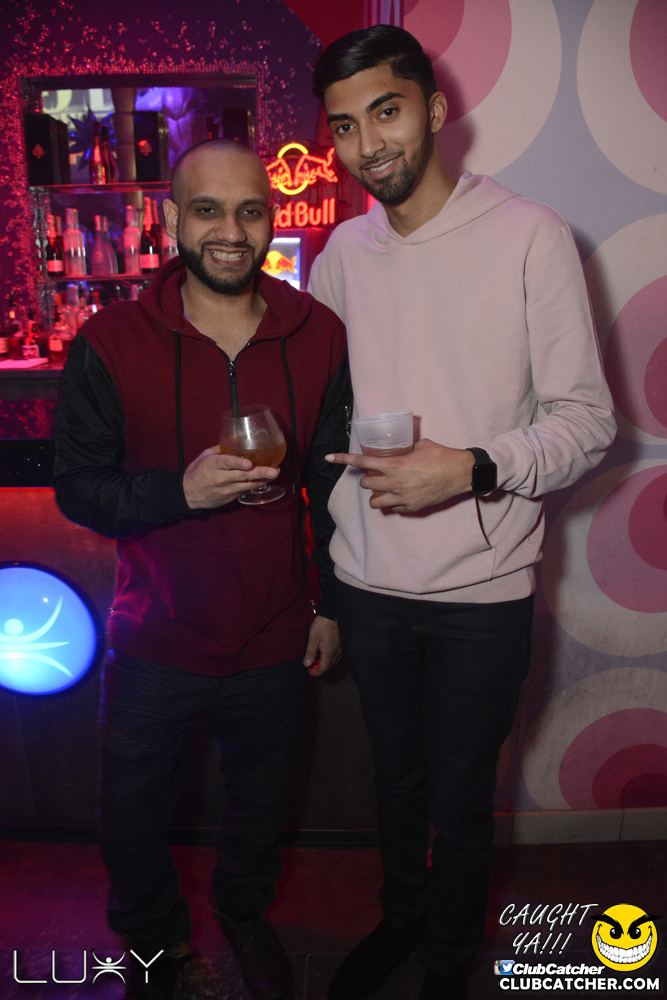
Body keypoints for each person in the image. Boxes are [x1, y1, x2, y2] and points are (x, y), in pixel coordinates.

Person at [308, 25, 616, 1000]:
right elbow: (325, 422)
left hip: (482, 590)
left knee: (461, 799)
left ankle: (447, 961)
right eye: (344, 126)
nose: (368, 144)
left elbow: (587, 422)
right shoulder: (338, 254)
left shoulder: (529, 235)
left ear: (435, 110)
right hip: (367, 583)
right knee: (393, 783)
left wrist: (473, 468)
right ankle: (402, 914)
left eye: (386, 112)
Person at [53, 139, 350, 1000]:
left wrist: (330, 603)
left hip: (276, 630)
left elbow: (332, 482)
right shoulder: (110, 340)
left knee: (261, 805)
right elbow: (79, 487)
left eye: (249, 211)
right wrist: (176, 492)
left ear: (269, 220)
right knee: (132, 816)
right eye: (208, 210)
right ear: (174, 218)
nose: (230, 230)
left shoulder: (318, 332)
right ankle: (154, 943)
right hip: (156, 633)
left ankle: (243, 914)